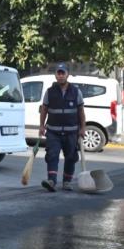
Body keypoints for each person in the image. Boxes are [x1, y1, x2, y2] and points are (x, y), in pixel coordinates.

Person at [38, 64, 86, 192]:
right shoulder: (50, 92)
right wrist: (42, 126)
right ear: (55, 75)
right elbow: (44, 110)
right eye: (58, 73)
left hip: (71, 132)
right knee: (52, 155)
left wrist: (83, 128)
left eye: (62, 73)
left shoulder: (76, 92)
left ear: (67, 75)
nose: (60, 75)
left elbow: (81, 111)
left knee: (71, 157)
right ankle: (52, 181)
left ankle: (67, 182)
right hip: (53, 132)